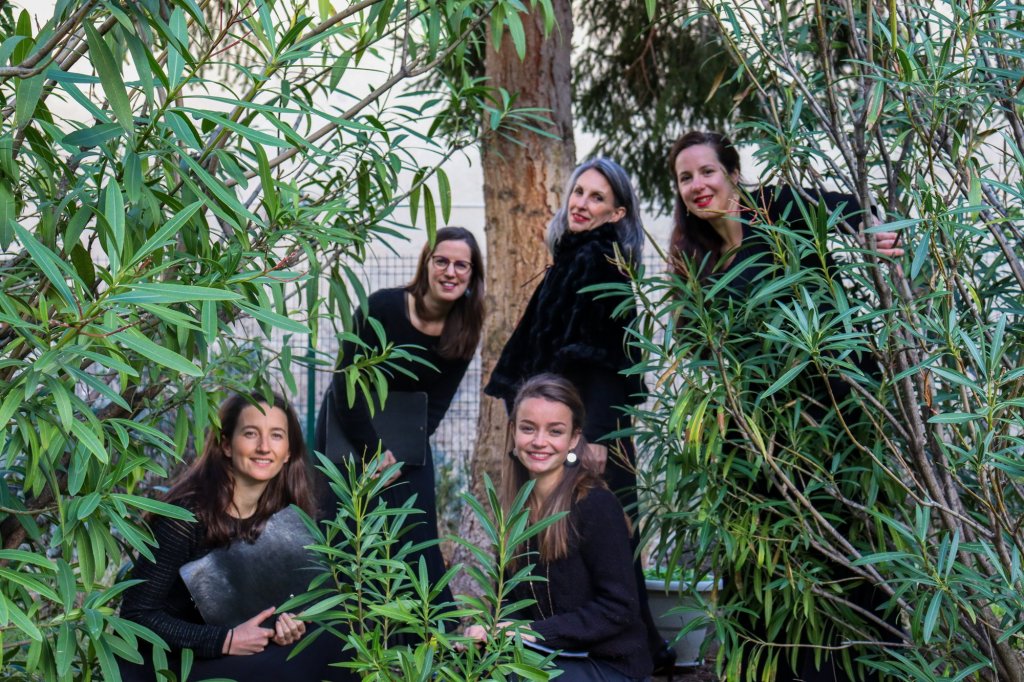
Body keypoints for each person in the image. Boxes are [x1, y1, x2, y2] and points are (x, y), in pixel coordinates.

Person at [666, 130, 905, 681]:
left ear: (733, 173)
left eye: (707, 171)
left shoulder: (777, 209)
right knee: (775, 567)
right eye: (685, 178)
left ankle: (872, 669)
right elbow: (697, 347)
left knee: (850, 549)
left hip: (833, 417)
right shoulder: (696, 261)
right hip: (758, 441)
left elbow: (847, 209)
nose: (697, 185)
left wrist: (871, 232)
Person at [483, 158, 671, 670]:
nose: (582, 204)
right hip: (566, 433)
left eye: (597, 197)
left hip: (590, 438)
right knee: (593, 550)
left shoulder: (600, 261)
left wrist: (598, 438)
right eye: (579, 192)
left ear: (618, 213)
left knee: (609, 547)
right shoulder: (572, 260)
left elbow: (608, 359)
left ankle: (636, 658)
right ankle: (643, 652)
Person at [118, 392, 352, 682]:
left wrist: (285, 625)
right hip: (171, 659)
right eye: (251, 433)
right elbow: (136, 615)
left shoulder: (283, 513)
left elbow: (262, 604)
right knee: (287, 670)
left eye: (276, 435)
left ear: (288, 452)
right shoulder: (185, 516)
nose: (264, 447)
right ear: (226, 445)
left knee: (334, 637)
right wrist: (224, 641)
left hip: (235, 645)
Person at [314, 226, 485, 605]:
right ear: (426, 264)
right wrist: (374, 451)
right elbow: (345, 383)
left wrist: (399, 456)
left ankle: (425, 628)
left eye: (461, 265)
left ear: (472, 275)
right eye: (441, 261)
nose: (450, 272)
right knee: (345, 530)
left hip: (407, 439)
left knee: (417, 531)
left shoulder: (465, 329)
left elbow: (435, 406)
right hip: (349, 427)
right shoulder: (382, 307)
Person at [466, 374, 653, 682]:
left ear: (574, 438)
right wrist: (489, 632)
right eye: (528, 428)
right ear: (513, 432)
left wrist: (531, 632)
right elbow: (511, 602)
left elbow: (619, 607)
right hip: (548, 655)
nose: (539, 441)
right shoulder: (515, 509)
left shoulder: (595, 505)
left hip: (608, 664)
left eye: (555, 431)